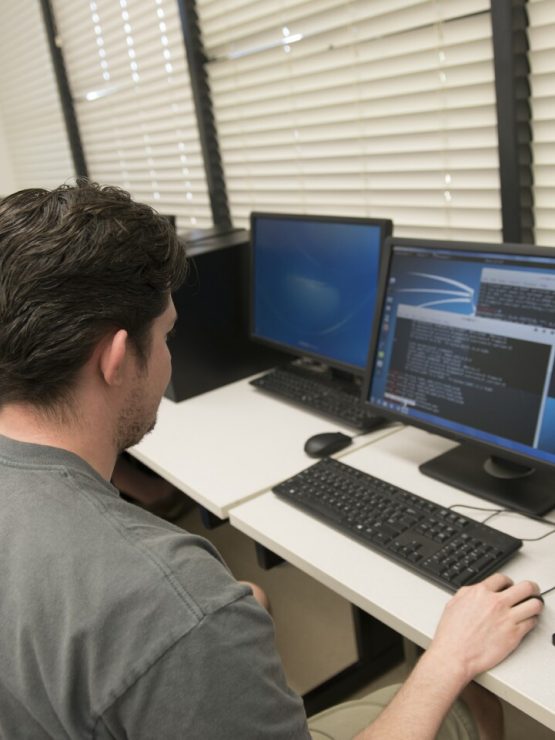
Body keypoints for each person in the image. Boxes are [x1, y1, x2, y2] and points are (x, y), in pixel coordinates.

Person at [0, 180, 543, 740]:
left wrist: (217, 617)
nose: (169, 358)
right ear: (115, 359)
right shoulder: (169, 602)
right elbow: (172, 615)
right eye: (168, 335)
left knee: (252, 600)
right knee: (472, 699)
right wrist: (449, 655)